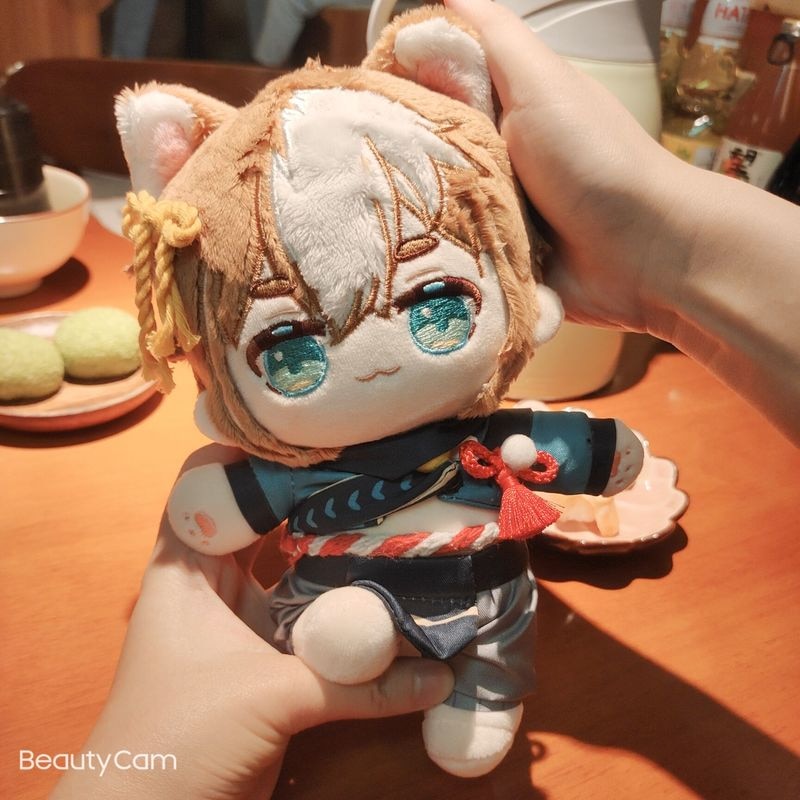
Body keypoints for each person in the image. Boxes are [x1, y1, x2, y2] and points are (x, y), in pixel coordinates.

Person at [52, 1, 800, 797]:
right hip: (345, 590)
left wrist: (604, 451)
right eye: (293, 352)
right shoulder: (309, 474)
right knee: (346, 629)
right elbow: (232, 507)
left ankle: (481, 691)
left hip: (488, 593)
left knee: (499, 631)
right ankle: (356, 631)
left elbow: (574, 451)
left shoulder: (486, 445)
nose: (374, 363)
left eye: (437, 307)